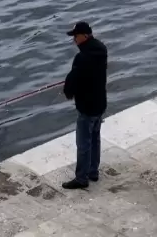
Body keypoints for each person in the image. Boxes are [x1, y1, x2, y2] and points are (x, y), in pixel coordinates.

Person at [61, 20, 107, 190]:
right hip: (100, 103)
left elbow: (73, 80)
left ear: (85, 35)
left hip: (87, 107)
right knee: (95, 138)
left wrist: (68, 91)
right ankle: (93, 171)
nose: (74, 40)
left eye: (76, 36)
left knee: (83, 143)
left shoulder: (81, 57)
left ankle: (81, 178)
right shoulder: (102, 49)